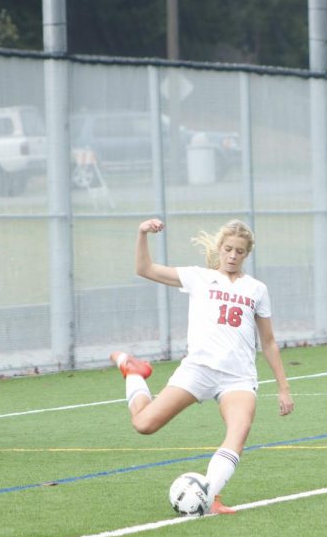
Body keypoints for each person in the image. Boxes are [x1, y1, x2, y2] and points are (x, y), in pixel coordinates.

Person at [111, 218, 294, 515]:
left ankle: (211, 497)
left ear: (247, 254)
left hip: (237, 377)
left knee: (239, 429)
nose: (233, 256)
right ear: (219, 249)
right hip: (198, 370)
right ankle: (134, 373)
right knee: (144, 425)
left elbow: (269, 342)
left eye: (239, 251)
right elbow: (144, 269)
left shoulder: (256, 289)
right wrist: (142, 233)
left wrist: (284, 389)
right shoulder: (198, 277)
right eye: (228, 249)